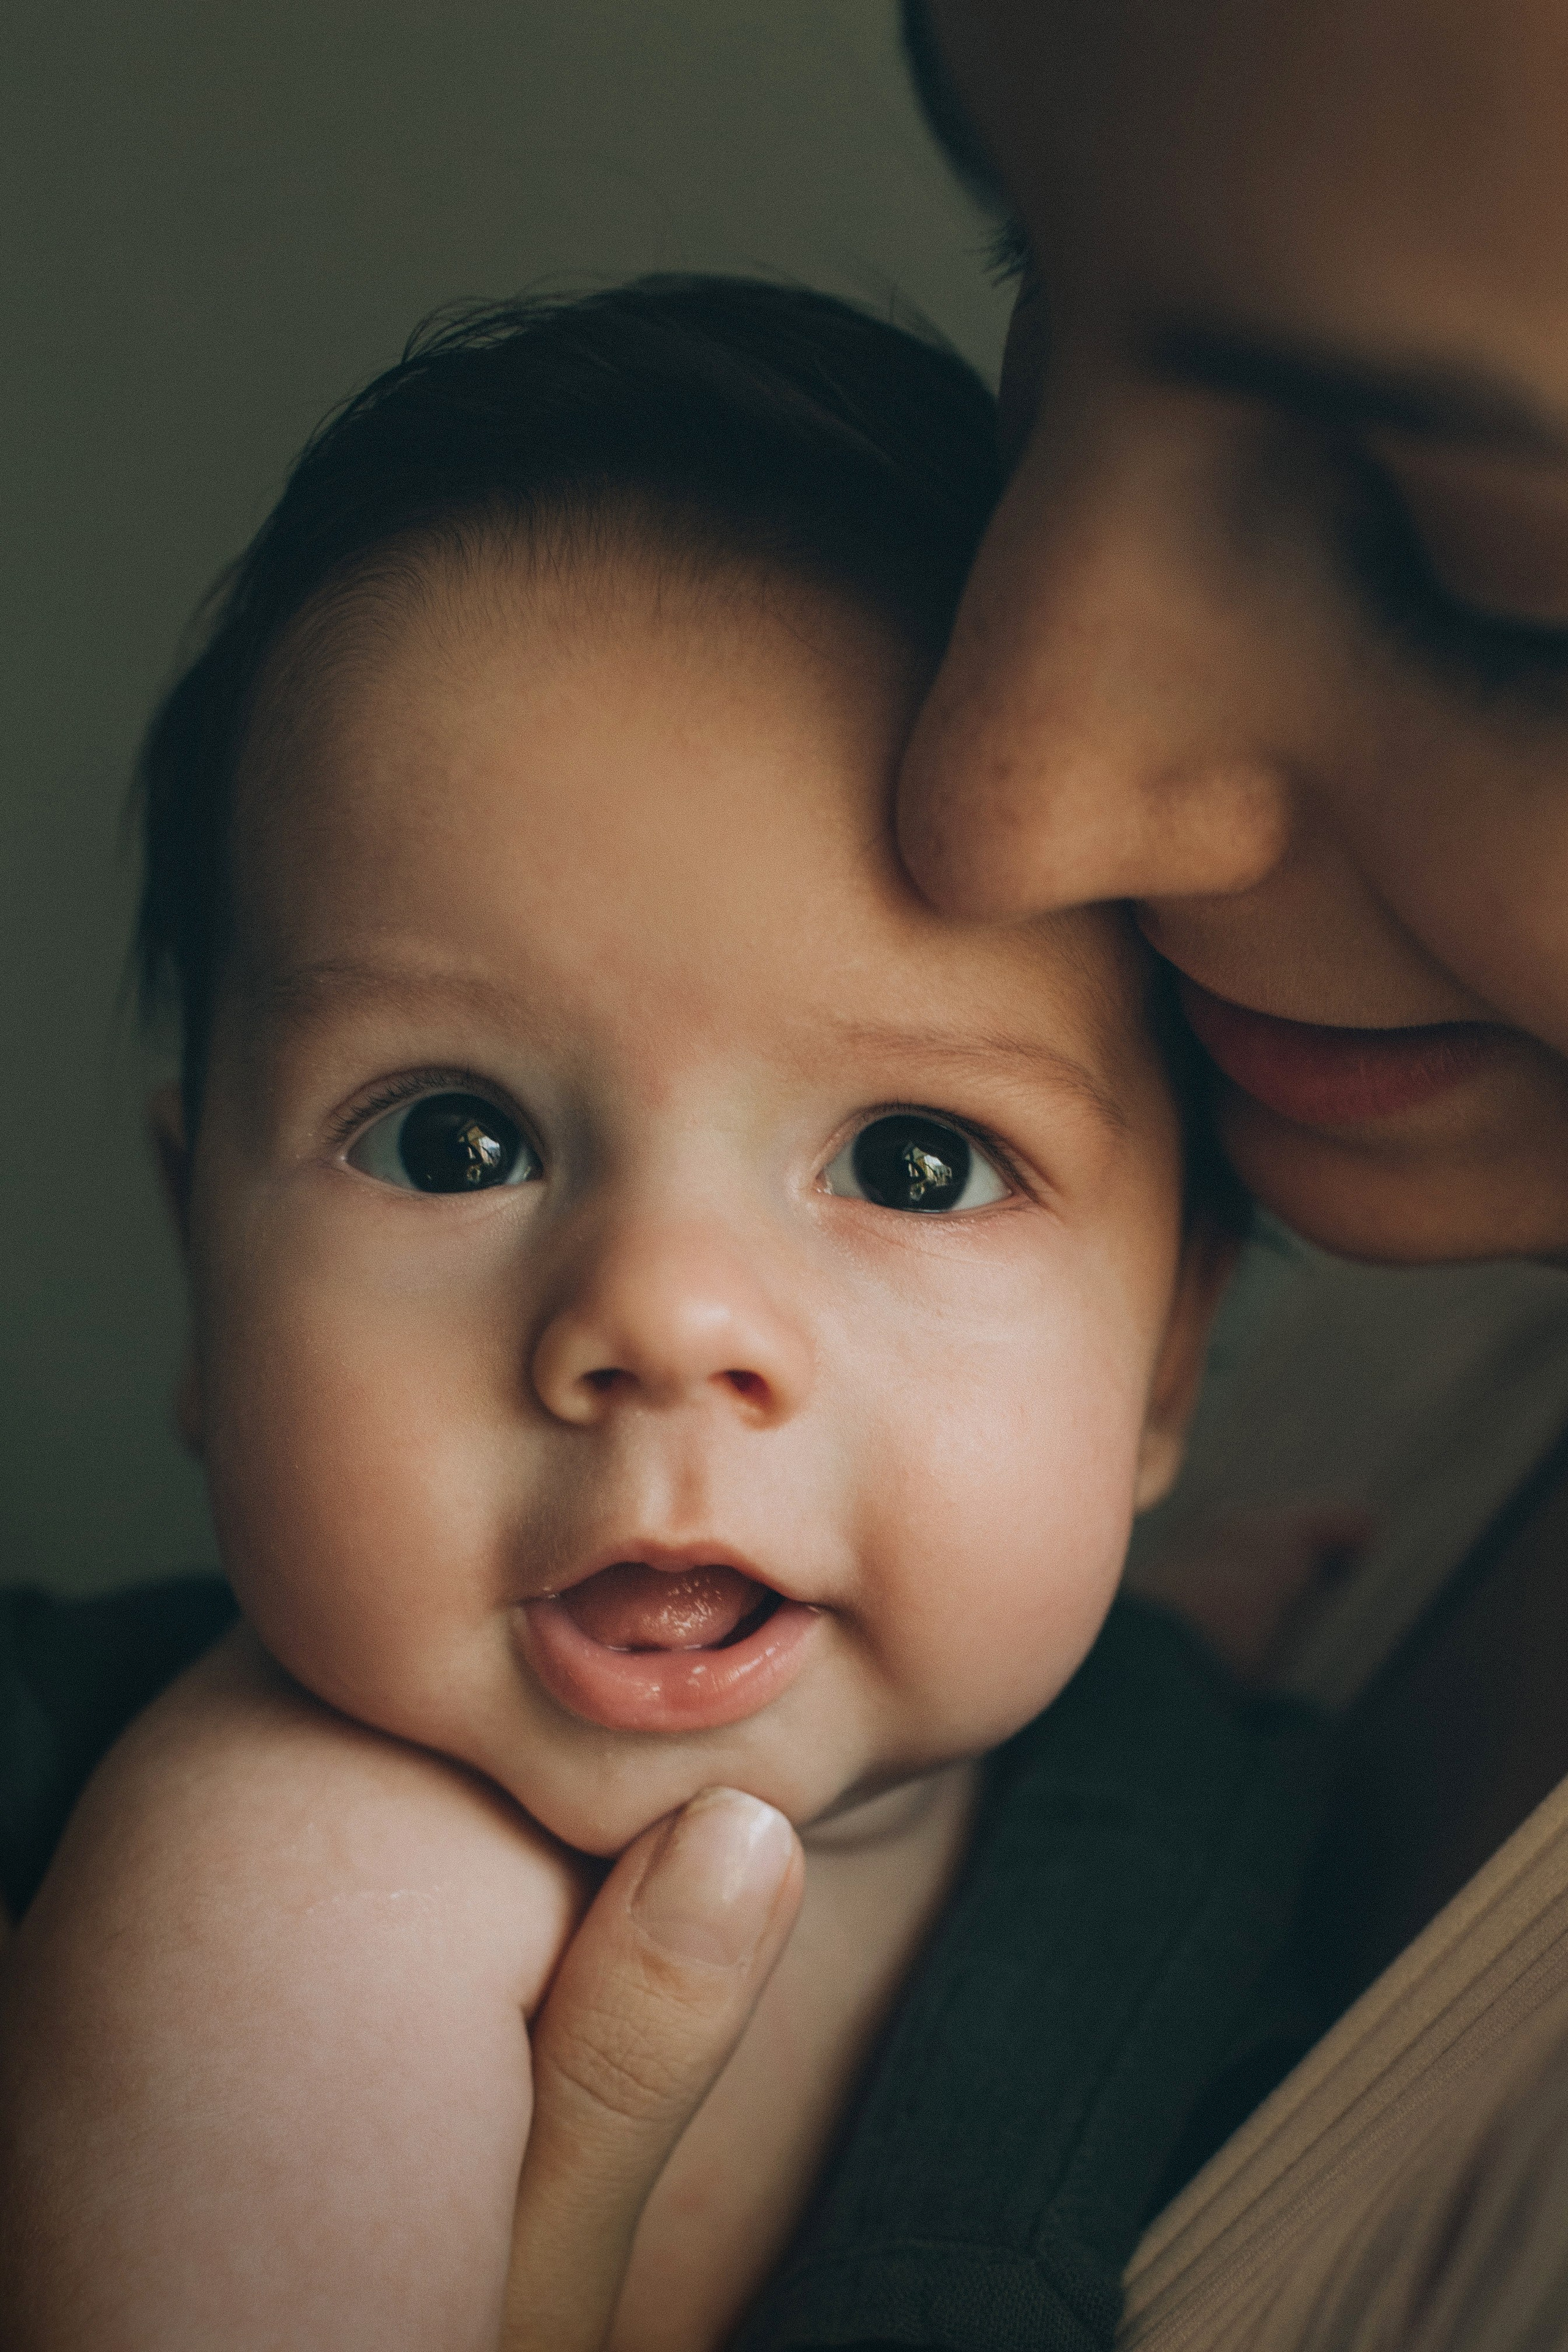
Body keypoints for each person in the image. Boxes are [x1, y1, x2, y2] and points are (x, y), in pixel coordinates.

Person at [0, 277, 1327, 2350]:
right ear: (205, 1272)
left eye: (912, 1163)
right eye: (451, 1141)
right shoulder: (291, 1923)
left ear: (1165, 1353)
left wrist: (1162, 1619)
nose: (663, 1319)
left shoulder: (1142, 1776)